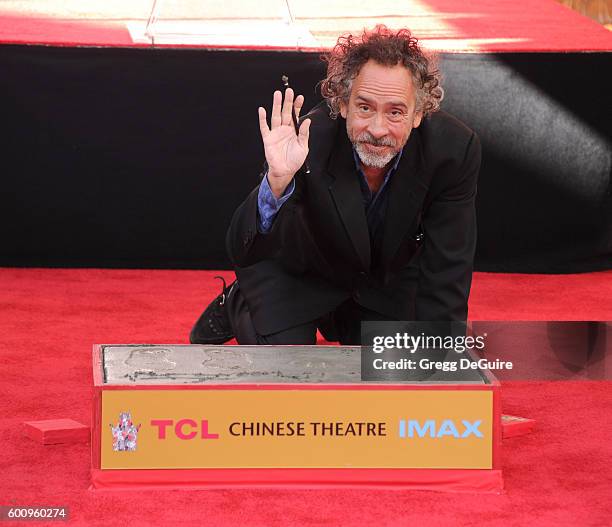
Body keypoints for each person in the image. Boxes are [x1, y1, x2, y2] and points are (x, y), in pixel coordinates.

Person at [191, 25, 481, 346]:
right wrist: (276, 182)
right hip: (301, 274)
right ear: (343, 104)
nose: (377, 129)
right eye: (364, 107)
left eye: (395, 112)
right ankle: (237, 301)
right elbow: (242, 248)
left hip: (381, 287)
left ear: (419, 113)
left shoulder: (453, 150)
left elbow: (448, 265)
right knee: (287, 375)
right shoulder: (308, 140)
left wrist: (437, 355)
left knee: (387, 373)